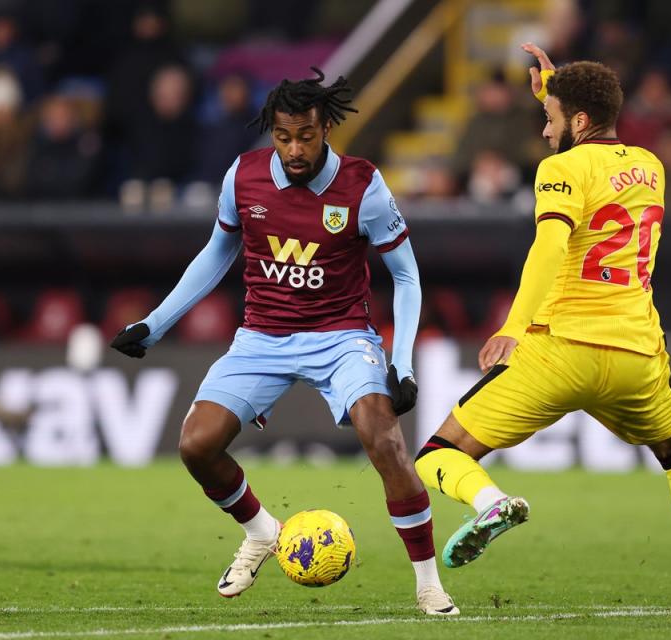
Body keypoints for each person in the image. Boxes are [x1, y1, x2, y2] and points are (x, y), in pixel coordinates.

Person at [413, 44, 671, 619]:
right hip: (635, 354)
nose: (542, 131)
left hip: (559, 349)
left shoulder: (559, 169)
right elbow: (598, 150)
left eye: (551, 120)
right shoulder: (652, 167)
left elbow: (550, 245)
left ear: (578, 122)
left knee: (438, 454)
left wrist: (512, 325)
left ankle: (490, 504)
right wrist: (558, 94)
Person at [109, 68, 458, 616]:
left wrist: (403, 363)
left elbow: (407, 276)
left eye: (307, 136)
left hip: (341, 336)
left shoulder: (363, 186)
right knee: (196, 446)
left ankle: (428, 583)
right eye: (283, 136)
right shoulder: (243, 176)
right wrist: (155, 324)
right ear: (272, 131)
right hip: (261, 337)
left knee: (382, 436)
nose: (294, 149)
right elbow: (216, 254)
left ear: (326, 130)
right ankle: (262, 532)